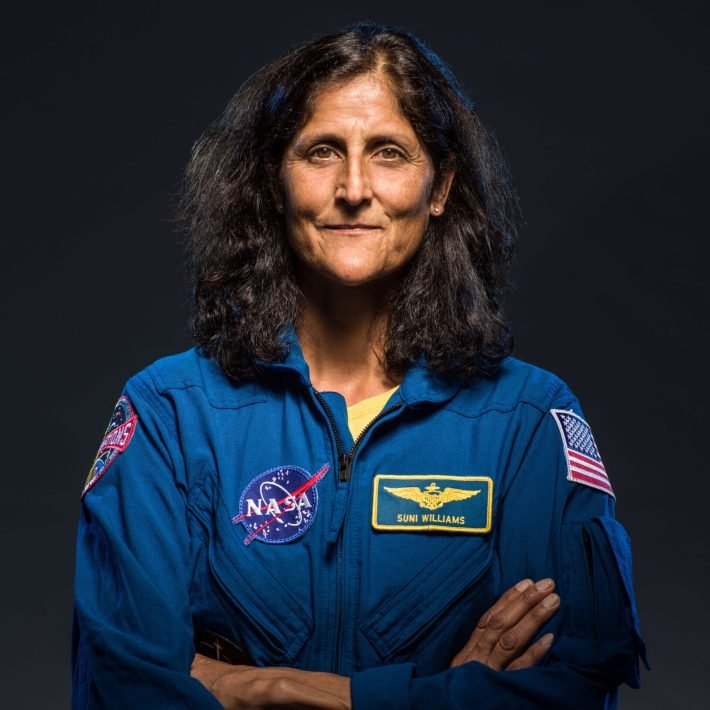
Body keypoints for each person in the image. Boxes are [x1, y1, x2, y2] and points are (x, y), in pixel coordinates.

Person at [71, 21, 647, 709]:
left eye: (389, 153)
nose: (353, 187)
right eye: (321, 152)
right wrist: (442, 694)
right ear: (274, 182)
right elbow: (124, 686)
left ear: (439, 188)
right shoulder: (169, 413)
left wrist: (266, 688)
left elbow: (571, 682)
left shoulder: (524, 423)